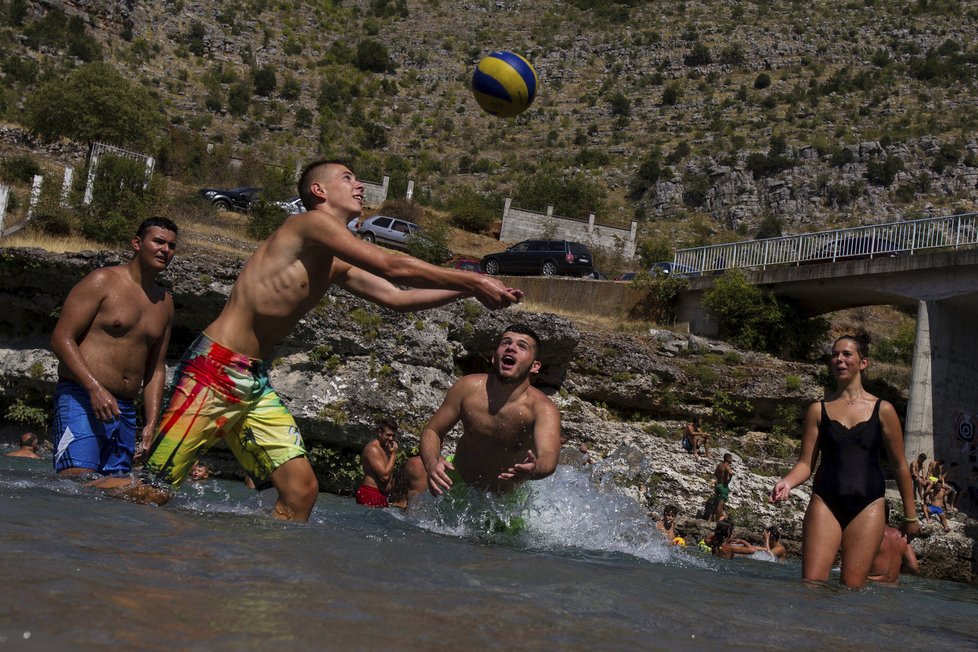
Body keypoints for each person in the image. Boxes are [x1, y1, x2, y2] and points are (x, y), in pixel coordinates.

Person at [100, 161, 521, 522]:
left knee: (301, 493)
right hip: (213, 369)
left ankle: (254, 583)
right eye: (348, 177)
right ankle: (80, 494)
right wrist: (473, 277)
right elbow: (393, 266)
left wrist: (469, 293)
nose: (360, 186)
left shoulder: (333, 260)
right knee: (151, 492)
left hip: (253, 382)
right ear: (318, 191)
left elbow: (396, 298)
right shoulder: (307, 224)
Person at [771, 334, 920, 589]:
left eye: (847, 354)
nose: (839, 359)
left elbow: (900, 465)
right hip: (825, 501)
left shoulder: (883, 409)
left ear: (863, 363)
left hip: (868, 505)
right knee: (811, 585)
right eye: (835, 354)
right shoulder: (818, 410)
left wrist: (910, 516)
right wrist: (787, 482)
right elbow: (805, 464)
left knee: (852, 589)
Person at [50, 217, 178, 478]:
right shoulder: (102, 281)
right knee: (77, 481)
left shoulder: (165, 303)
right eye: (158, 241)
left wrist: (152, 422)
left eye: (172, 246)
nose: (165, 249)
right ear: (136, 243)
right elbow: (61, 338)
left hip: (125, 410)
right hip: (82, 397)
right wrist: (94, 388)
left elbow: (155, 368)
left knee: (115, 492)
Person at [420, 325, 561, 498]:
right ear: (494, 357)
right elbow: (432, 430)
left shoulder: (542, 409)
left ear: (534, 366)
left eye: (522, 346)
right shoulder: (467, 388)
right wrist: (432, 463)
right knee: (414, 470)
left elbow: (549, 456)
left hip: (504, 501)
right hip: (458, 482)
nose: (511, 347)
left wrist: (534, 469)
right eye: (505, 343)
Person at [869, 501, 919, 584]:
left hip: (871, 584)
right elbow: (913, 567)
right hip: (893, 588)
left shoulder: (871, 534)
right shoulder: (902, 536)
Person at [356, 418, 399, 508]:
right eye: (388, 435)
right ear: (380, 433)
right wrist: (394, 455)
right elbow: (384, 476)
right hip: (370, 493)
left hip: (381, 494)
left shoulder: (385, 448)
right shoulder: (373, 449)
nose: (391, 439)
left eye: (393, 436)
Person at [710, 453, 734, 522]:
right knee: (720, 504)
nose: (732, 460)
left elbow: (715, 473)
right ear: (728, 459)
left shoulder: (720, 465)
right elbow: (731, 473)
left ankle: (710, 519)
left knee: (716, 503)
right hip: (723, 486)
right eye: (731, 458)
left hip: (717, 485)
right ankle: (717, 521)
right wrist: (729, 478)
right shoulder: (726, 466)